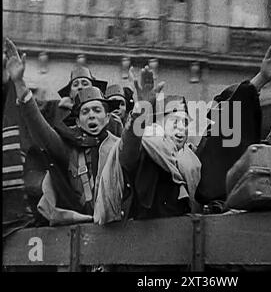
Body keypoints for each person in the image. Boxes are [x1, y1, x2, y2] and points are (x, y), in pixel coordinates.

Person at [4, 38, 125, 225]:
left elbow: (133, 148)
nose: (91, 115)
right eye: (85, 111)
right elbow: (41, 131)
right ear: (77, 121)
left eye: (97, 110)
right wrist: (19, 83)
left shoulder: (118, 145)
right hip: (75, 223)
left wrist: (145, 107)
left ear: (108, 116)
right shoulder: (68, 147)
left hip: (117, 225)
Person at [94, 67, 201, 224]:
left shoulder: (192, 157)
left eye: (185, 122)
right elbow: (128, 154)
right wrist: (142, 110)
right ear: (160, 124)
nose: (181, 127)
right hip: (140, 238)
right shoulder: (148, 147)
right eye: (174, 121)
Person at [194, 39, 271, 211]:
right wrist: (261, 78)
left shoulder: (238, 142)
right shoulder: (213, 140)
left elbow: (263, 149)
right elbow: (234, 111)